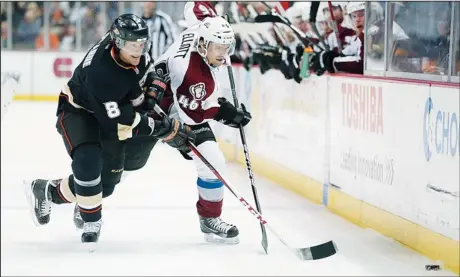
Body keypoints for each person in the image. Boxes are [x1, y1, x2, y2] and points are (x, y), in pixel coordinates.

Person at [23, 14, 195, 251]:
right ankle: (92, 221)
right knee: (88, 161)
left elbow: (141, 80)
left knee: (107, 183)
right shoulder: (100, 72)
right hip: (79, 111)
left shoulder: (131, 49)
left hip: (110, 108)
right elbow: (121, 120)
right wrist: (160, 129)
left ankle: (47, 190)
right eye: (131, 44)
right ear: (117, 42)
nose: (137, 49)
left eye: (141, 43)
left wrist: (153, 88)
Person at [151, 13, 252, 244]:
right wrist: (226, 113)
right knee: (122, 168)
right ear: (204, 44)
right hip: (155, 112)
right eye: (218, 48)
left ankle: (209, 219)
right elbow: (195, 117)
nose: (223, 53)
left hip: (178, 99)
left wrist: (212, 13)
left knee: (213, 161)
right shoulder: (194, 74)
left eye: (227, 47)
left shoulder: (199, 31)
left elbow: (191, 7)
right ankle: (84, 197)